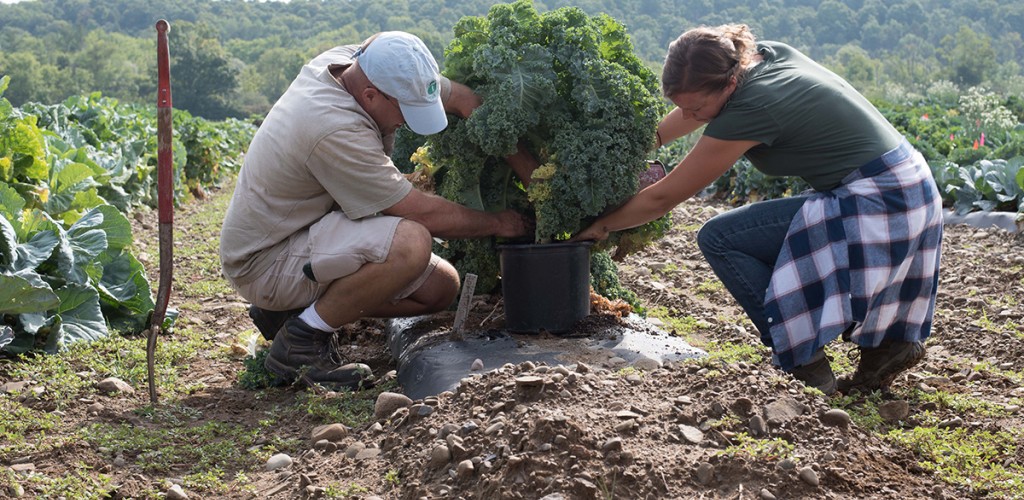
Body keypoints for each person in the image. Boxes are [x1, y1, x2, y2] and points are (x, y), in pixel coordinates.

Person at [574, 24, 942, 395]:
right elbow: (669, 126)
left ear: (729, 84)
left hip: (881, 200)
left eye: (697, 108)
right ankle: (887, 348)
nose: (688, 115)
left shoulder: (752, 107)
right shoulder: (760, 56)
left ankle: (804, 360)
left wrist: (603, 225)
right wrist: (633, 147)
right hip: (909, 184)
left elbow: (663, 197)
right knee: (760, 239)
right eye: (680, 107)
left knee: (721, 239)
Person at [220, 31, 533, 390]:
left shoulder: (360, 64)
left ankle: (293, 312)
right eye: (405, 113)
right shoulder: (332, 126)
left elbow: (463, 99)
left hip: (305, 231)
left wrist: (533, 175)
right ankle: (301, 341)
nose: (404, 123)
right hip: (266, 260)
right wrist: (500, 223)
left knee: (440, 289)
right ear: (370, 96)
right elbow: (419, 213)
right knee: (411, 242)